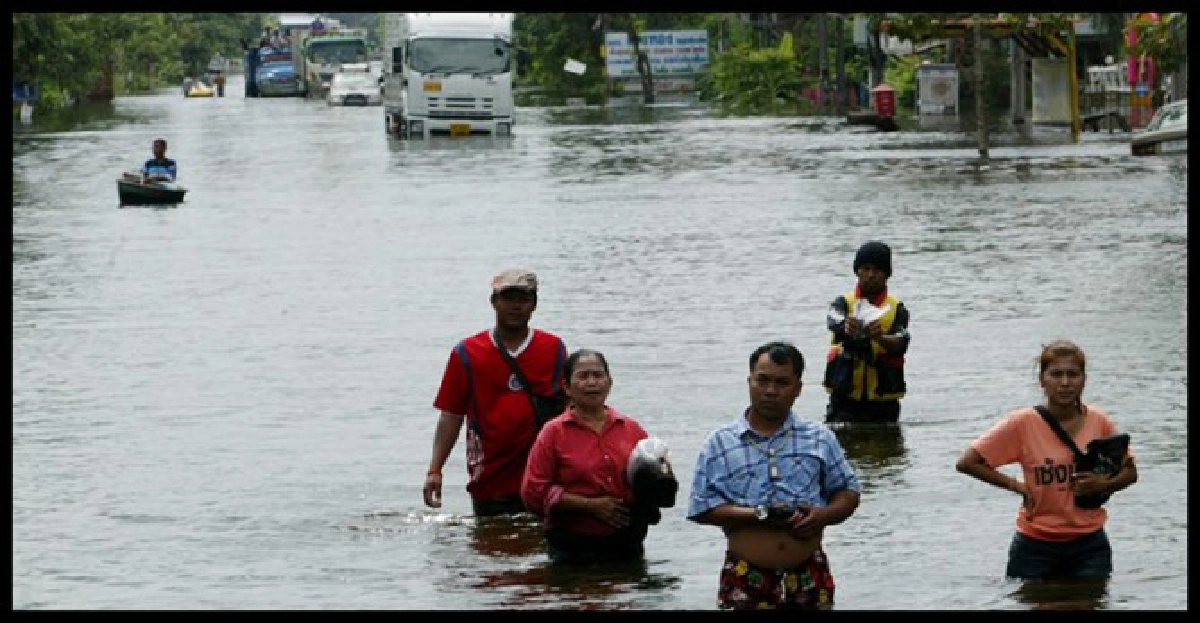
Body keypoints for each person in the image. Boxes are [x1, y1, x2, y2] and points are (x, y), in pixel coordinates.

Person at [688, 341, 862, 610]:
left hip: (809, 572)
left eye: (782, 382)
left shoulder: (819, 438)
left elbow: (848, 492)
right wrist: (760, 515)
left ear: (798, 389)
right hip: (746, 574)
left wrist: (823, 516)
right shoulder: (720, 442)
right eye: (763, 380)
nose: (770, 391)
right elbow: (702, 508)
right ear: (749, 381)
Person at [956, 340, 1138, 581]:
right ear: (1042, 380)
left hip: (1089, 544)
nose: (1065, 383)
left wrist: (1103, 485)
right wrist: (1017, 486)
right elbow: (968, 462)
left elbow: (1130, 472)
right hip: (1035, 545)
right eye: (1056, 374)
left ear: (1084, 379)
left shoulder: (1099, 421)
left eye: (1073, 374)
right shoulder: (1021, 424)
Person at [424, 268, 568, 517]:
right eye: (508, 298)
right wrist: (435, 470)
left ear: (534, 305)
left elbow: (569, 408)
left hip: (542, 476)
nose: (515, 306)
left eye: (523, 299)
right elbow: (451, 415)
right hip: (489, 478)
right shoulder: (467, 353)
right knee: (491, 546)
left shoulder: (553, 349)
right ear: (494, 302)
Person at [521, 349, 672, 565]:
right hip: (571, 547)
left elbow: (652, 483)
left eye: (598, 375)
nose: (592, 382)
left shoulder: (632, 430)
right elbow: (533, 494)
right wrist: (590, 506)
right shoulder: (553, 433)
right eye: (583, 376)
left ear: (610, 383)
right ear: (567, 387)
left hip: (627, 544)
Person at [822, 240, 911, 424]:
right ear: (857, 271)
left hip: (883, 405)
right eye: (866, 268)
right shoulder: (843, 304)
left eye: (877, 270)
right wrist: (847, 325)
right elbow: (833, 319)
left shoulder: (897, 309)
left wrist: (880, 337)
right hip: (844, 402)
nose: (871, 275)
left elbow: (901, 340)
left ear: (886, 275)